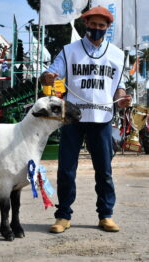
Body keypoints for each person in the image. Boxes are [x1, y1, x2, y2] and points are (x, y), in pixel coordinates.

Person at [40, 6, 132, 233]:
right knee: (66, 169)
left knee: (104, 170)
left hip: (101, 118)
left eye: (102, 26)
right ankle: (63, 216)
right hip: (72, 118)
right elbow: (49, 75)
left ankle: (105, 215)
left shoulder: (117, 55)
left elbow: (119, 88)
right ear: (86, 24)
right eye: (93, 25)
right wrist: (49, 77)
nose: (97, 29)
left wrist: (121, 100)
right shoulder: (69, 51)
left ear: (108, 28)